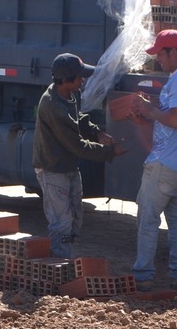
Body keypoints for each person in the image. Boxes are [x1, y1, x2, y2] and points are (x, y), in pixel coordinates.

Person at [126, 28, 177, 291]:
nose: (158, 59)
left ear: (174, 53)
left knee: (147, 218)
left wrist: (149, 110)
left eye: (161, 53)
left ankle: (143, 276)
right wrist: (150, 115)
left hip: (166, 164)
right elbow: (176, 120)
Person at [33, 51, 122, 258]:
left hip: (68, 165)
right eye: (79, 77)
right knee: (61, 222)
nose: (83, 81)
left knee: (75, 218)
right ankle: (58, 264)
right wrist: (109, 152)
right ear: (65, 80)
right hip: (53, 169)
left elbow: (77, 117)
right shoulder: (52, 105)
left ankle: (63, 255)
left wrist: (97, 132)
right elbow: (77, 146)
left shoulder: (71, 95)